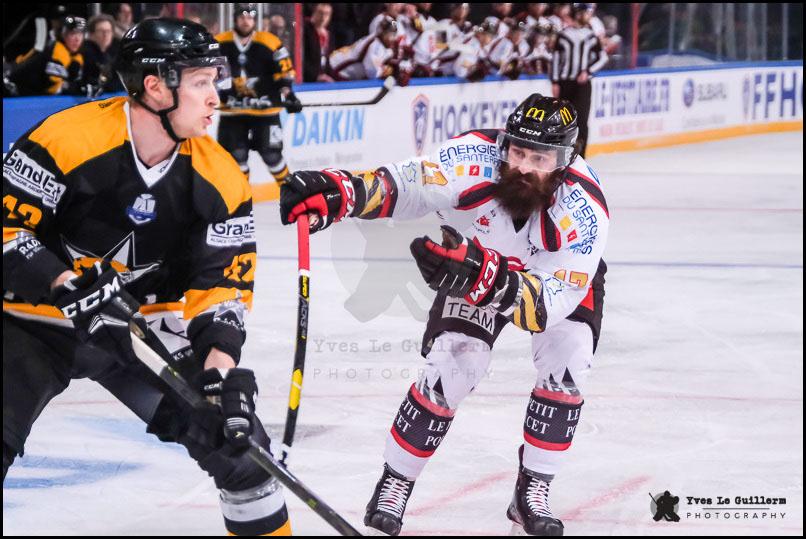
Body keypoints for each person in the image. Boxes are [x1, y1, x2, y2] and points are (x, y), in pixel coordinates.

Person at [3, 18, 291, 536]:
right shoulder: (66, 139)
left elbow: (221, 285)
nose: (215, 96)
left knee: (242, 454)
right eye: (200, 82)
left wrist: (220, 370)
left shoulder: (221, 177)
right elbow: (6, 229)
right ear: (156, 86)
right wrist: (66, 284)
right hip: (28, 321)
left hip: (135, 330)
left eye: (214, 80)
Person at [278, 93, 609, 536]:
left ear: (564, 163)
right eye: (517, 152)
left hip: (540, 279)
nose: (523, 166)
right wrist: (343, 193)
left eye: (540, 158)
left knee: (568, 361)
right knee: (454, 363)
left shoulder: (585, 207)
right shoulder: (473, 156)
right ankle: (395, 482)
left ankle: (533, 489)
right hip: (476, 264)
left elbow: (548, 306)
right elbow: (409, 184)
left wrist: (485, 277)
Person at [216, 3, 301, 185]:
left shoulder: (270, 42)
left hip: (265, 112)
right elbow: (209, 73)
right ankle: (242, 197)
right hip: (232, 113)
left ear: (254, 19)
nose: (246, 21)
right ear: (235, 19)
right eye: (242, 17)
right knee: (236, 157)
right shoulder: (220, 42)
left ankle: (293, 194)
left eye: (249, 17)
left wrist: (289, 95)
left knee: (272, 155)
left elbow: (284, 73)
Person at [551, 3, 607, 157]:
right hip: (565, 83)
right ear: (577, 13)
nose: (586, 16)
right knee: (563, 120)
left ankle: (581, 157)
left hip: (582, 85)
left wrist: (588, 71)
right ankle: (561, 156)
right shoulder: (564, 35)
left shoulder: (590, 35)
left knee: (581, 121)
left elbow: (603, 58)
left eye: (587, 13)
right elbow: (556, 60)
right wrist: (555, 82)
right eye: (584, 12)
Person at [8, 15, 86, 96]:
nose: (77, 39)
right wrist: (78, 88)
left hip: (23, 93)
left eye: (80, 34)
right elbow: (53, 89)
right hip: (15, 92)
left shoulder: (75, 55)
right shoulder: (58, 50)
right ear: (63, 34)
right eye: (73, 33)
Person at [328, 16, 400, 82]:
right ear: (382, 32)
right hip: (337, 70)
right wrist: (389, 71)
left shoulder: (382, 44)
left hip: (344, 72)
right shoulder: (374, 45)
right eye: (390, 34)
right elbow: (372, 73)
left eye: (394, 34)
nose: (393, 38)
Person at [81, 14, 121, 95]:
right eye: (101, 31)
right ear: (91, 34)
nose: (105, 35)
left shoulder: (114, 53)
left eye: (108, 31)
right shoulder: (84, 53)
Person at [303, 3, 334, 82]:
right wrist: (316, 76)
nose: (323, 17)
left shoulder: (328, 34)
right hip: (306, 81)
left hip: (323, 80)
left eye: (326, 14)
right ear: (314, 12)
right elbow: (301, 59)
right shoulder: (304, 30)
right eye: (320, 13)